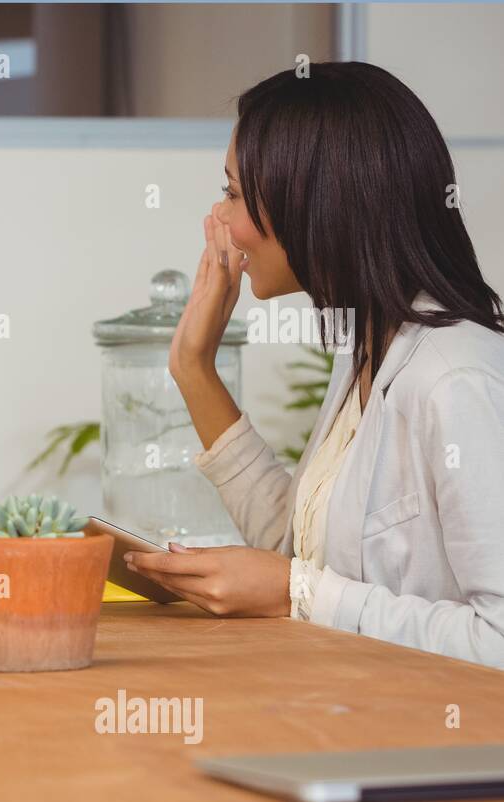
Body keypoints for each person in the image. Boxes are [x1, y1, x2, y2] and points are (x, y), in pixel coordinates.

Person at [125, 62, 504, 671]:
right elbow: (301, 560)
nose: (217, 220)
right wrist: (193, 369)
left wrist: (296, 592)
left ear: (317, 204)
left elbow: (498, 640)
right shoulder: (369, 350)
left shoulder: (455, 378)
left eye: (233, 194)